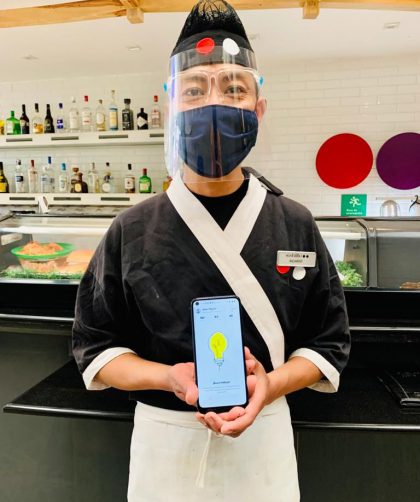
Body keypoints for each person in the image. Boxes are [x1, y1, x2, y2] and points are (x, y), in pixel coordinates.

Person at [72, 1, 351, 500]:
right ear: (170, 110)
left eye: (235, 89)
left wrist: (272, 384)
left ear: (258, 109)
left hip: (264, 443)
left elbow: (328, 343)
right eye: (194, 90)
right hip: (166, 446)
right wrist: (170, 378)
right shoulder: (130, 229)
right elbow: (96, 348)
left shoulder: (296, 223)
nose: (214, 103)